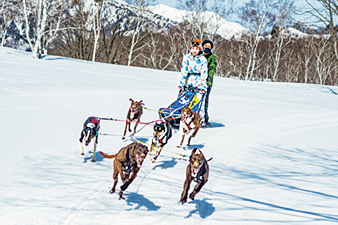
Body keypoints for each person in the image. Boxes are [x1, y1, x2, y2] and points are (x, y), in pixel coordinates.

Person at [201, 39, 217, 127]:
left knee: (204, 100)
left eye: (209, 47)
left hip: (207, 81)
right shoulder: (199, 55)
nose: (207, 48)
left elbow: (212, 67)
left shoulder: (212, 57)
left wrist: (208, 76)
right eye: (205, 46)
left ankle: (205, 119)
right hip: (196, 81)